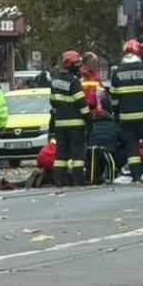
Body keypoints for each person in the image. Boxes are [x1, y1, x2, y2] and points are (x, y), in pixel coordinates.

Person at [110, 39, 143, 182]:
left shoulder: (117, 72)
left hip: (126, 118)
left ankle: (135, 175)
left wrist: (117, 113)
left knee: (131, 147)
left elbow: (114, 98)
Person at [49, 50, 91, 187]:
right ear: (69, 64)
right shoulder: (73, 81)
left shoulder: (55, 80)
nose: (78, 67)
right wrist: (89, 120)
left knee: (61, 153)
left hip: (60, 124)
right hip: (75, 124)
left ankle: (58, 180)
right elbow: (81, 104)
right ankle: (78, 180)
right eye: (76, 64)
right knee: (77, 153)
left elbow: (52, 101)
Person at [88, 89, 125, 182]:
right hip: (110, 154)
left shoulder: (93, 123)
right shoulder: (115, 124)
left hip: (92, 154)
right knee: (126, 148)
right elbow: (123, 140)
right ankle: (115, 169)